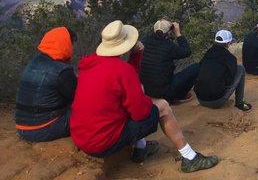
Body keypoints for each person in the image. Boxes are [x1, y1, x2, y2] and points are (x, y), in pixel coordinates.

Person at [70, 20, 218, 173]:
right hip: (102, 142)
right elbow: (140, 113)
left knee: (126, 102)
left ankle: (141, 149)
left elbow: (124, 81)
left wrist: (135, 58)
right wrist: (145, 98)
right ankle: (190, 158)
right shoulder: (122, 70)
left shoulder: (88, 65)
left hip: (82, 137)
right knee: (163, 107)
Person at [15, 27, 77, 142]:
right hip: (42, 130)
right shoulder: (63, 70)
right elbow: (77, 97)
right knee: (86, 110)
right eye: (72, 43)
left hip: (21, 127)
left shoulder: (33, 62)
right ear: (66, 44)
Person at [140, 19, 199, 103]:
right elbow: (187, 51)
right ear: (168, 32)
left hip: (146, 90)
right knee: (196, 67)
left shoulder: (144, 41)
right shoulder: (168, 46)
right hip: (163, 92)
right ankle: (180, 96)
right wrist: (178, 33)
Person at [195, 30, 252, 111]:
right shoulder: (230, 58)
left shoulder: (207, 53)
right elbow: (229, 81)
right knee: (240, 69)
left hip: (200, 99)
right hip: (216, 101)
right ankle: (239, 103)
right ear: (228, 43)